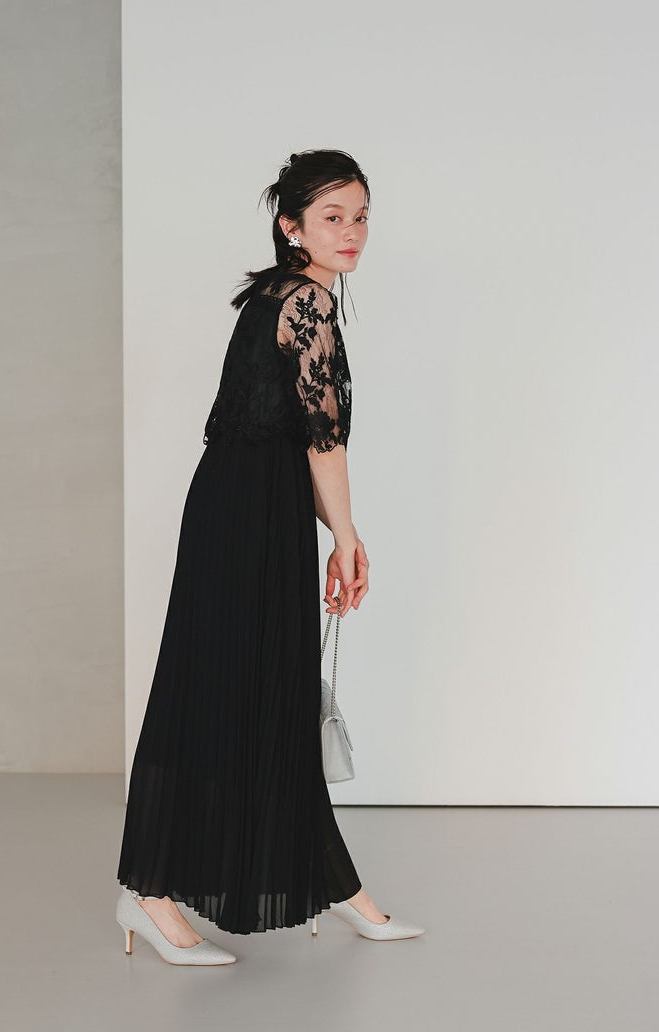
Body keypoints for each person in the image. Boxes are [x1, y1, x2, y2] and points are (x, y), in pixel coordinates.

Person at [115, 149, 425, 965]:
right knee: (227, 688)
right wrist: (347, 538)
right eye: (332, 217)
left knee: (257, 687)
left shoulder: (277, 297)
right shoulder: (307, 302)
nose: (351, 232)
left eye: (361, 216)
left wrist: (338, 533)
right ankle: (149, 891)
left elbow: (295, 439)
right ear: (292, 227)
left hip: (246, 502)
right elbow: (324, 440)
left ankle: (331, 882)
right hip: (251, 511)